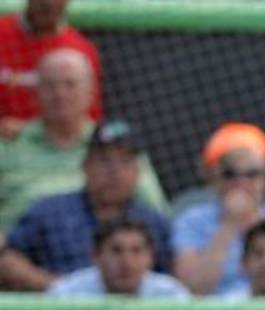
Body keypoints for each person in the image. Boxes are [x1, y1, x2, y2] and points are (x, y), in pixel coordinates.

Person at [0, 49, 165, 234]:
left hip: (99, 254)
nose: (60, 94)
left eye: (70, 84)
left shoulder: (118, 147)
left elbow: (155, 213)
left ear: (91, 91)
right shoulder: (9, 144)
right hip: (16, 253)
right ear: (36, 92)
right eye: (50, 85)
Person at [0, 120, 172, 290]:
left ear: (137, 172)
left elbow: (171, 278)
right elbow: (7, 257)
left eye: (125, 161)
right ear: (85, 166)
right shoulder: (49, 211)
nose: (114, 172)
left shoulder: (154, 223)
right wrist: (59, 289)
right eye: (104, 161)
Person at [172, 122, 265, 296]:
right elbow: (192, 289)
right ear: (213, 177)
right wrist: (229, 224)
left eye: (252, 174)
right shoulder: (191, 221)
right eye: (230, 174)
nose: (241, 183)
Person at [0, 0, 102, 138]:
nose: (47, 4)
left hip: (52, 144)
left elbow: (88, 118)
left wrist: (28, 130)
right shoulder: (3, 32)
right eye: (41, 3)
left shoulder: (80, 49)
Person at [47, 217, 188, 298]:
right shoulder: (66, 294)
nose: (127, 262)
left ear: (151, 257)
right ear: (95, 255)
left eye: (136, 251)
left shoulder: (171, 295)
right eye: (116, 251)